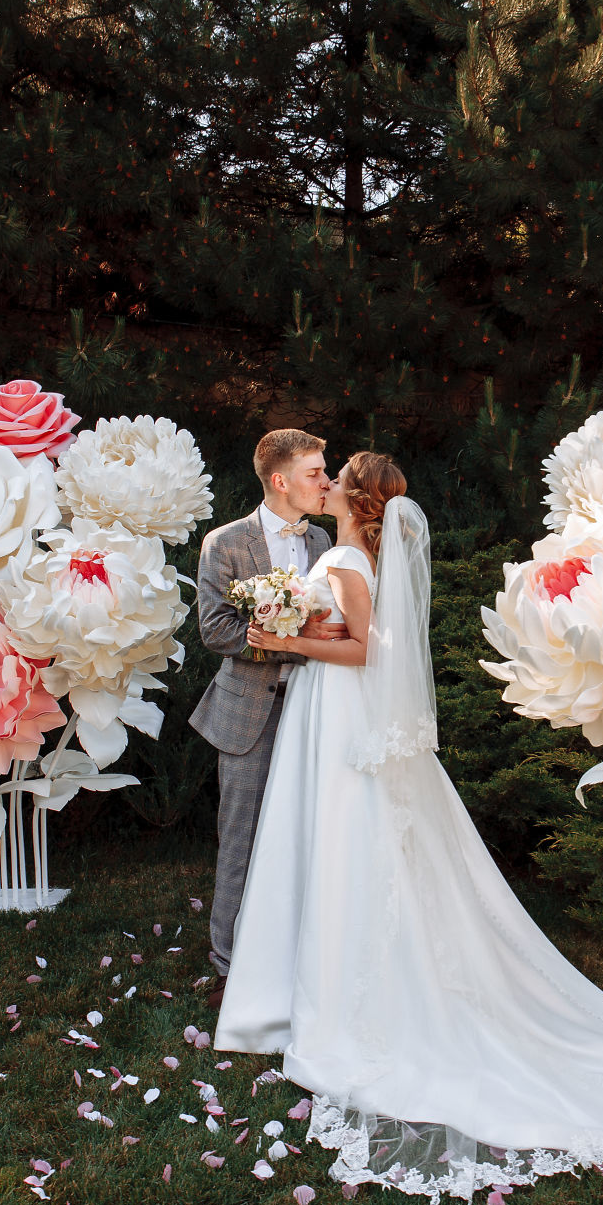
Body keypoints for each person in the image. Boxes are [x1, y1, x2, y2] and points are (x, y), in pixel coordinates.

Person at [214, 451, 603, 1204]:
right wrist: (302, 624)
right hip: (333, 712)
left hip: (338, 709)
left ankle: (335, 990)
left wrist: (287, 641)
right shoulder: (346, 552)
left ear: (354, 496)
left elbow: (360, 648)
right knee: (349, 840)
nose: (328, 477)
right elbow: (351, 631)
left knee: (347, 839)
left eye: (337, 471)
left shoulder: (344, 554)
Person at [189, 428, 345, 1009]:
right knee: (242, 838)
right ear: (280, 481)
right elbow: (217, 630)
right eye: (314, 473)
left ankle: (294, 956)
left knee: (304, 833)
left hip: (313, 709)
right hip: (248, 712)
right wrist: (291, 641)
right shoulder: (224, 543)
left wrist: (310, 642)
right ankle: (228, 967)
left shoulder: (324, 539)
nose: (325, 482)